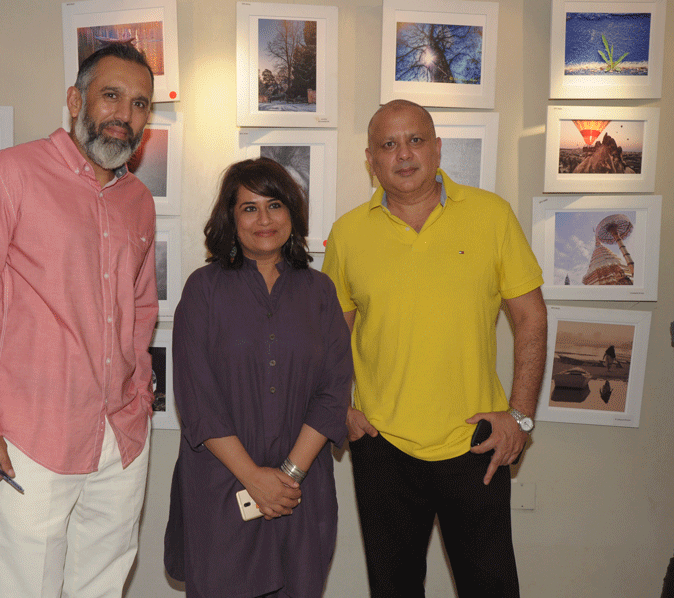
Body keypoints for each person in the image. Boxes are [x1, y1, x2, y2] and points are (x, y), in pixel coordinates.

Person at [0, 43, 158, 598]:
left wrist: (140, 396)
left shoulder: (139, 202)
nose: (125, 115)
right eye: (111, 96)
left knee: (101, 588)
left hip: (120, 438)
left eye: (140, 104)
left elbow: (142, 311)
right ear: (75, 99)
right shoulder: (9, 174)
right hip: (26, 437)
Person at [322, 99, 548, 597]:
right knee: (394, 589)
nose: (404, 154)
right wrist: (338, 408)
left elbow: (531, 318)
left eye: (416, 140)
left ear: (438, 148)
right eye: (388, 144)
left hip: (476, 444)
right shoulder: (347, 233)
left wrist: (522, 416)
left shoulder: (492, 216)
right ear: (371, 159)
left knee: (490, 588)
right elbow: (331, 338)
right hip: (382, 447)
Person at [164, 158, 353, 598]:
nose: (264, 219)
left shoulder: (320, 292)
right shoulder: (203, 290)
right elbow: (197, 401)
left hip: (299, 491)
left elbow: (333, 392)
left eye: (274, 205)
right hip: (221, 483)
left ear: (293, 213)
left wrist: (285, 478)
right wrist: (254, 478)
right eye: (249, 208)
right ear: (230, 218)